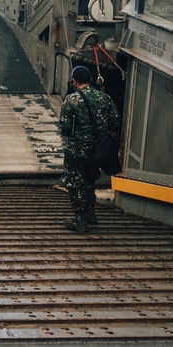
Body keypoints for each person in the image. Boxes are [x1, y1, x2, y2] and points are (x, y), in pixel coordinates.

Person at [57, 65, 121, 233]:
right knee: (90, 180)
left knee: (75, 183)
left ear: (74, 81)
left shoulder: (71, 100)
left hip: (77, 151)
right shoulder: (105, 98)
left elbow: (64, 128)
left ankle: (80, 221)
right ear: (91, 80)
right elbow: (115, 122)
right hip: (98, 151)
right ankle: (91, 215)